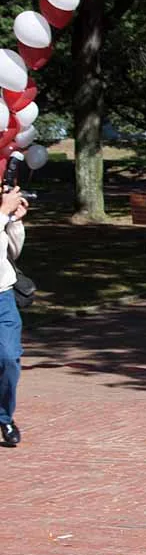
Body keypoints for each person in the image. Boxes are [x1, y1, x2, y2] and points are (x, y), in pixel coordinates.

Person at [0, 187, 27, 447]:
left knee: (9, 358)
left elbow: (13, 252)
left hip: (3, 297)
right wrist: (3, 214)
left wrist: (15, 222)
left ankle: (4, 418)